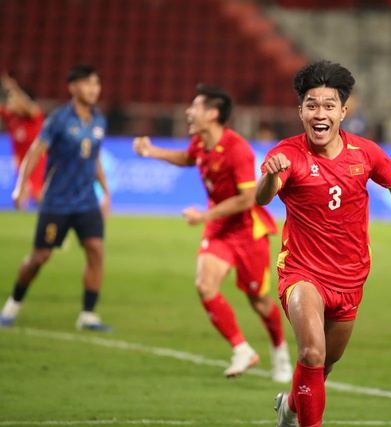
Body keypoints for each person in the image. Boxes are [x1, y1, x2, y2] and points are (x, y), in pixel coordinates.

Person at [255, 60, 391, 427]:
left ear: (343, 111)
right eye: (312, 105)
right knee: (312, 353)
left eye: (328, 105)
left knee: (324, 366)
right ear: (300, 111)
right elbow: (263, 198)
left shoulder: (365, 153)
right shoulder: (288, 154)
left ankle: (289, 407)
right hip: (302, 273)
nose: (320, 114)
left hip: (350, 277)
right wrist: (269, 178)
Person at [131, 84, 293, 383]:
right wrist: (151, 151)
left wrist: (204, 215)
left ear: (213, 114)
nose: (188, 112)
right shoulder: (200, 142)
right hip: (219, 229)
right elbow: (188, 158)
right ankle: (241, 349)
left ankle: (279, 350)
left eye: (195, 106)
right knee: (205, 285)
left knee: (259, 301)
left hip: (247, 231)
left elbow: (247, 199)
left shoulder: (237, 149)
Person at [0, 64, 111, 331]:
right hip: (57, 202)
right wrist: (21, 186)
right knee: (40, 257)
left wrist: (105, 192)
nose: (94, 89)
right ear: (73, 87)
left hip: (86, 201)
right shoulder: (58, 120)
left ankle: (88, 315)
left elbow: (94, 157)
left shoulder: (99, 120)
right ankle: (13, 304)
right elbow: (36, 151)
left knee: (96, 250)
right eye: (88, 83)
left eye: (96, 84)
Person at [0, 72, 47, 208]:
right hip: (20, 160)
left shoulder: (34, 117)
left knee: (37, 192)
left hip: (37, 159)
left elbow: (28, 106)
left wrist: (15, 89)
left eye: (12, 99)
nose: (9, 102)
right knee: (22, 192)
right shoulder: (11, 117)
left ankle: (54, 213)